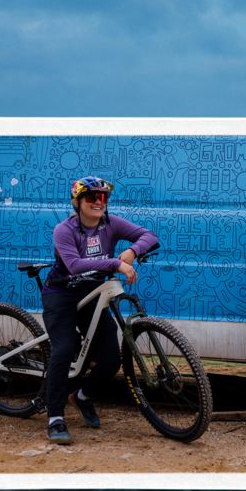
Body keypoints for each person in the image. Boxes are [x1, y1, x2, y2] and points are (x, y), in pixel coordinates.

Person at [41, 176, 159, 445]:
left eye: (102, 197)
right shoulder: (64, 230)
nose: (98, 202)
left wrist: (131, 250)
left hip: (92, 293)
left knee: (110, 359)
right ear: (78, 202)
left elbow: (149, 236)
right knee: (63, 349)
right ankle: (55, 417)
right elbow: (73, 265)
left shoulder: (111, 223)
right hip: (62, 294)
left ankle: (82, 396)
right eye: (91, 197)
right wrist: (115, 265)